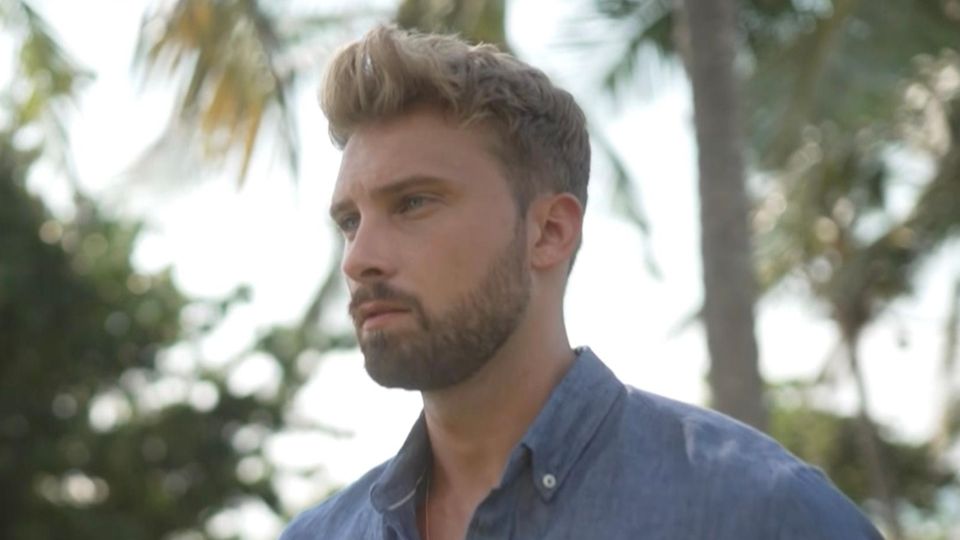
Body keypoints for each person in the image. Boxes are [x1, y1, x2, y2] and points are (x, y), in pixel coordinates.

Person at [281, 24, 883, 540]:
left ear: (548, 232)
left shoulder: (758, 512)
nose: (358, 259)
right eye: (350, 221)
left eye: (413, 203)